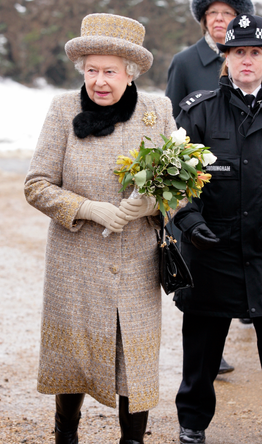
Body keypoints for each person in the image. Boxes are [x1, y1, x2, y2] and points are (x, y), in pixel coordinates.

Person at [24, 13, 181, 444]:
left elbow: (184, 186)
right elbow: (36, 185)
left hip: (135, 264)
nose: (99, 81)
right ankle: (66, 436)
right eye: (91, 70)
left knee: (136, 364)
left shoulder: (158, 112)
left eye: (110, 71)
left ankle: (132, 440)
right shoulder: (62, 109)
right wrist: (89, 209)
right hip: (75, 264)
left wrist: (155, 202)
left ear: (131, 73)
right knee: (72, 359)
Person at [172, 14, 262, 444]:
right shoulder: (199, 112)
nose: (247, 60)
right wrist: (189, 221)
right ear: (225, 58)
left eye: (256, 52)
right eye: (239, 52)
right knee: (202, 353)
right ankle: (192, 424)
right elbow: (172, 183)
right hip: (211, 253)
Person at [166, 0, 255, 119]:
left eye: (227, 13)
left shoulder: (254, 62)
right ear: (204, 18)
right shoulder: (183, 62)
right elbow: (171, 119)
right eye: (212, 12)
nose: (219, 18)